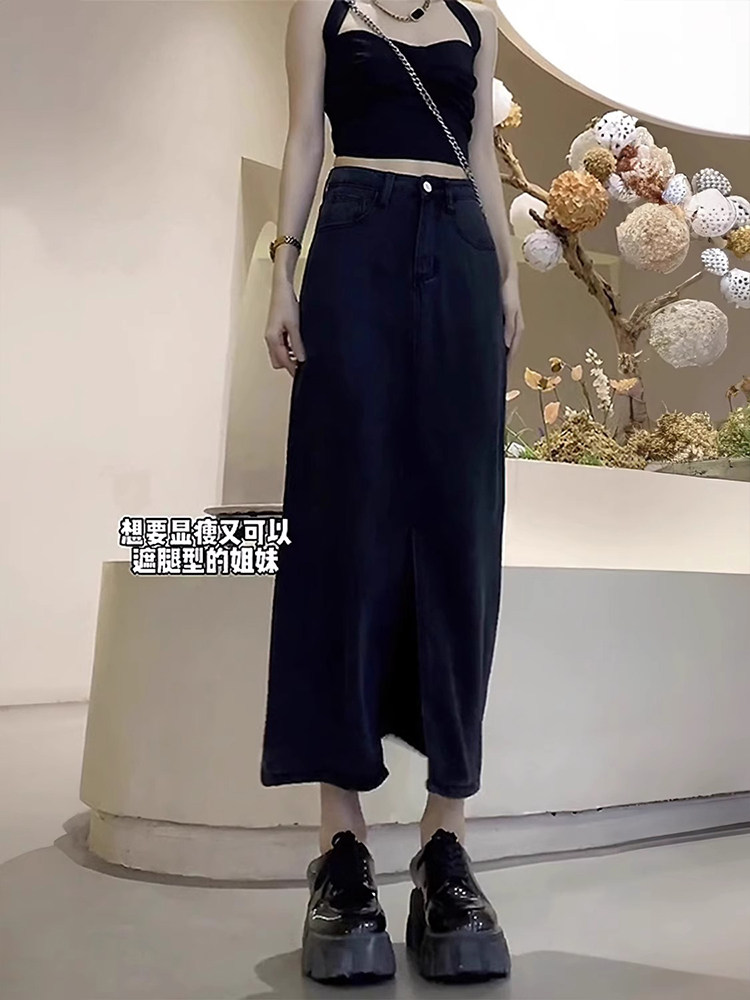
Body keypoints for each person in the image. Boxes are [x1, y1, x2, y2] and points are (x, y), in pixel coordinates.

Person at [261, 0, 523, 984]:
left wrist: (506, 274)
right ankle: (341, 848)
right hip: (356, 239)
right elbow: (304, 139)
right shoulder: (323, 11)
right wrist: (283, 269)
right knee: (343, 528)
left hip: (460, 245)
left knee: (461, 533)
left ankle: (445, 841)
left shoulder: (474, 16)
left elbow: (481, 151)